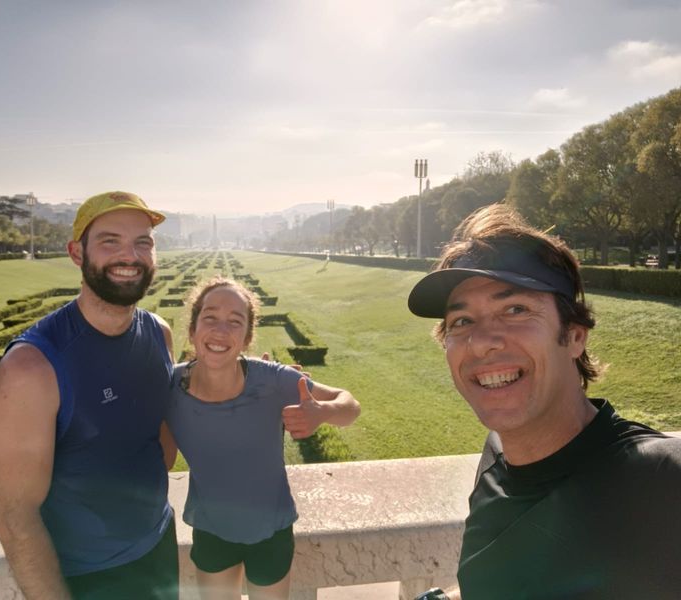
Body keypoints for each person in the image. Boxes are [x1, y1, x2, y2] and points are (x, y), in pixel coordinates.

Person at [408, 204, 681, 600]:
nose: (482, 341)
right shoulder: (498, 459)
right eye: (461, 322)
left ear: (574, 336)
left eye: (515, 310)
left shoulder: (663, 480)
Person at [0, 191, 179, 600]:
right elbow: (15, 520)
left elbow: (158, 438)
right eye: (111, 241)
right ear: (77, 253)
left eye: (143, 242)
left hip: (160, 546)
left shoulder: (159, 334)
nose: (130, 255)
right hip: (90, 579)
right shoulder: (31, 367)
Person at [166, 277, 360, 600]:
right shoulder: (170, 386)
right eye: (210, 317)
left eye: (235, 322)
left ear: (246, 338)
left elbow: (350, 405)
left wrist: (322, 412)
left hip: (271, 531)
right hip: (212, 530)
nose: (220, 330)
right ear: (192, 329)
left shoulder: (272, 379)